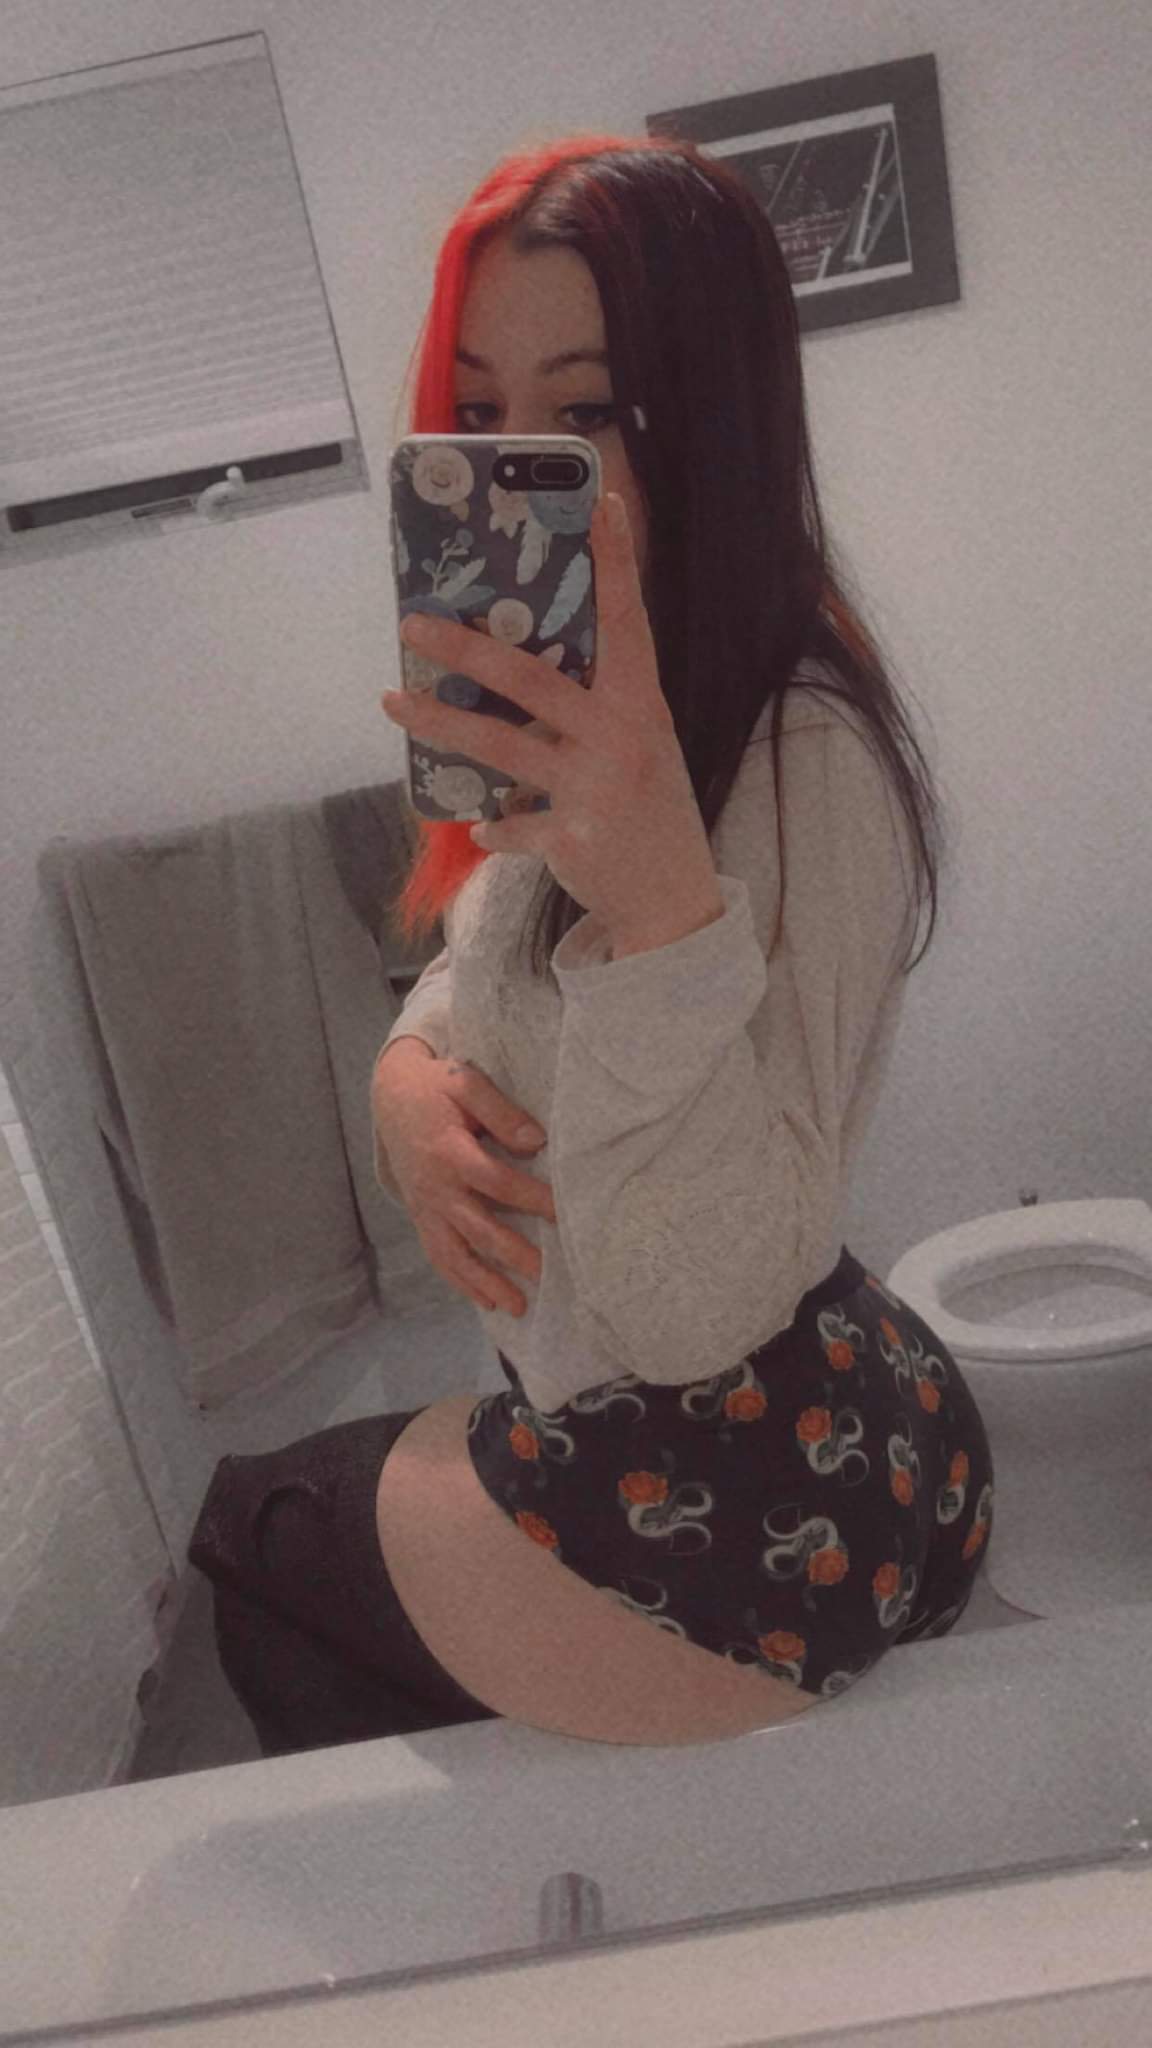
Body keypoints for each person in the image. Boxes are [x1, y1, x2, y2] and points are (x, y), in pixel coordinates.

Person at [188, 132, 994, 1754]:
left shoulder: (798, 752)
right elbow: (481, 968)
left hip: (749, 1484)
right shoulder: (599, 715)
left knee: (251, 1544)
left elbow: (695, 1307)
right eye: (481, 416)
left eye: (592, 412)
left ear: (714, 421)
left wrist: (662, 912)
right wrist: (407, 1080)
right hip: (760, 1415)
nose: (520, 472)